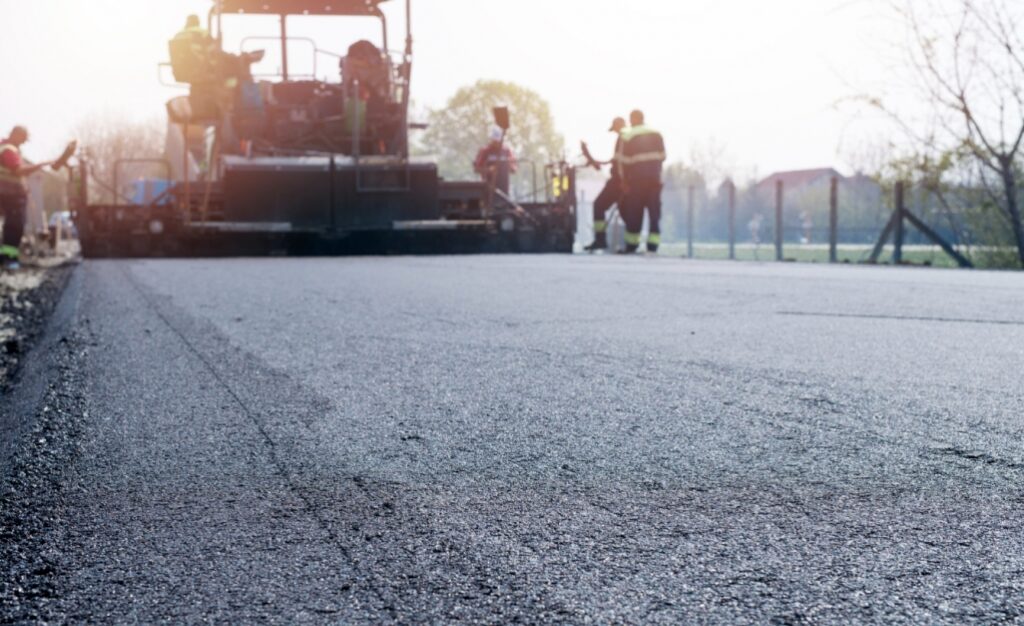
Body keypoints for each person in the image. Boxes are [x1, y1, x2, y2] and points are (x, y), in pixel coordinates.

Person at [0, 127, 52, 269]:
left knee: (12, 225)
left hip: (10, 193)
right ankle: (9, 259)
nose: (23, 143)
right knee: (14, 226)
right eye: (22, 139)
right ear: (16, 135)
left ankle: (7, 258)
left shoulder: (6, 148)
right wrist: (40, 165)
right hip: (10, 195)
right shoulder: (8, 150)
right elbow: (18, 171)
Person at [616, 109, 666, 253]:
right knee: (654, 213)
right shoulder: (657, 133)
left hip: (636, 181)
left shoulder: (627, 135)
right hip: (655, 180)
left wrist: (624, 181)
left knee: (634, 213)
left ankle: (632, 245)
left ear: (632, 119)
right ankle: (653, 245)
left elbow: (622, 162)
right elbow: (662, 156)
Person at [583, 116, 627, 252]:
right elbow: (614, 161)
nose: (614, 132)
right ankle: (628, 244)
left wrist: (622, 180)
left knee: (599, 205)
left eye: (615, 129)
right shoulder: (625, 139)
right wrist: (597, 162)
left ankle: (601, 239)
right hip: (622, 180)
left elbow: (620, 162)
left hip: (618, 181)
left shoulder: (623, 138)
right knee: (625, 211)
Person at [474, 127, 518, 195]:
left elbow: (514, 168)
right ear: (491, 139)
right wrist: (489, 170)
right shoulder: (485, 151)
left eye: (498, 141)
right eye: (495, 141)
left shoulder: (506, 151)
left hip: (504, 189)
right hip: (488, 188)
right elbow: (477, 169)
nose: (496, 143)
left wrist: (509, 166)